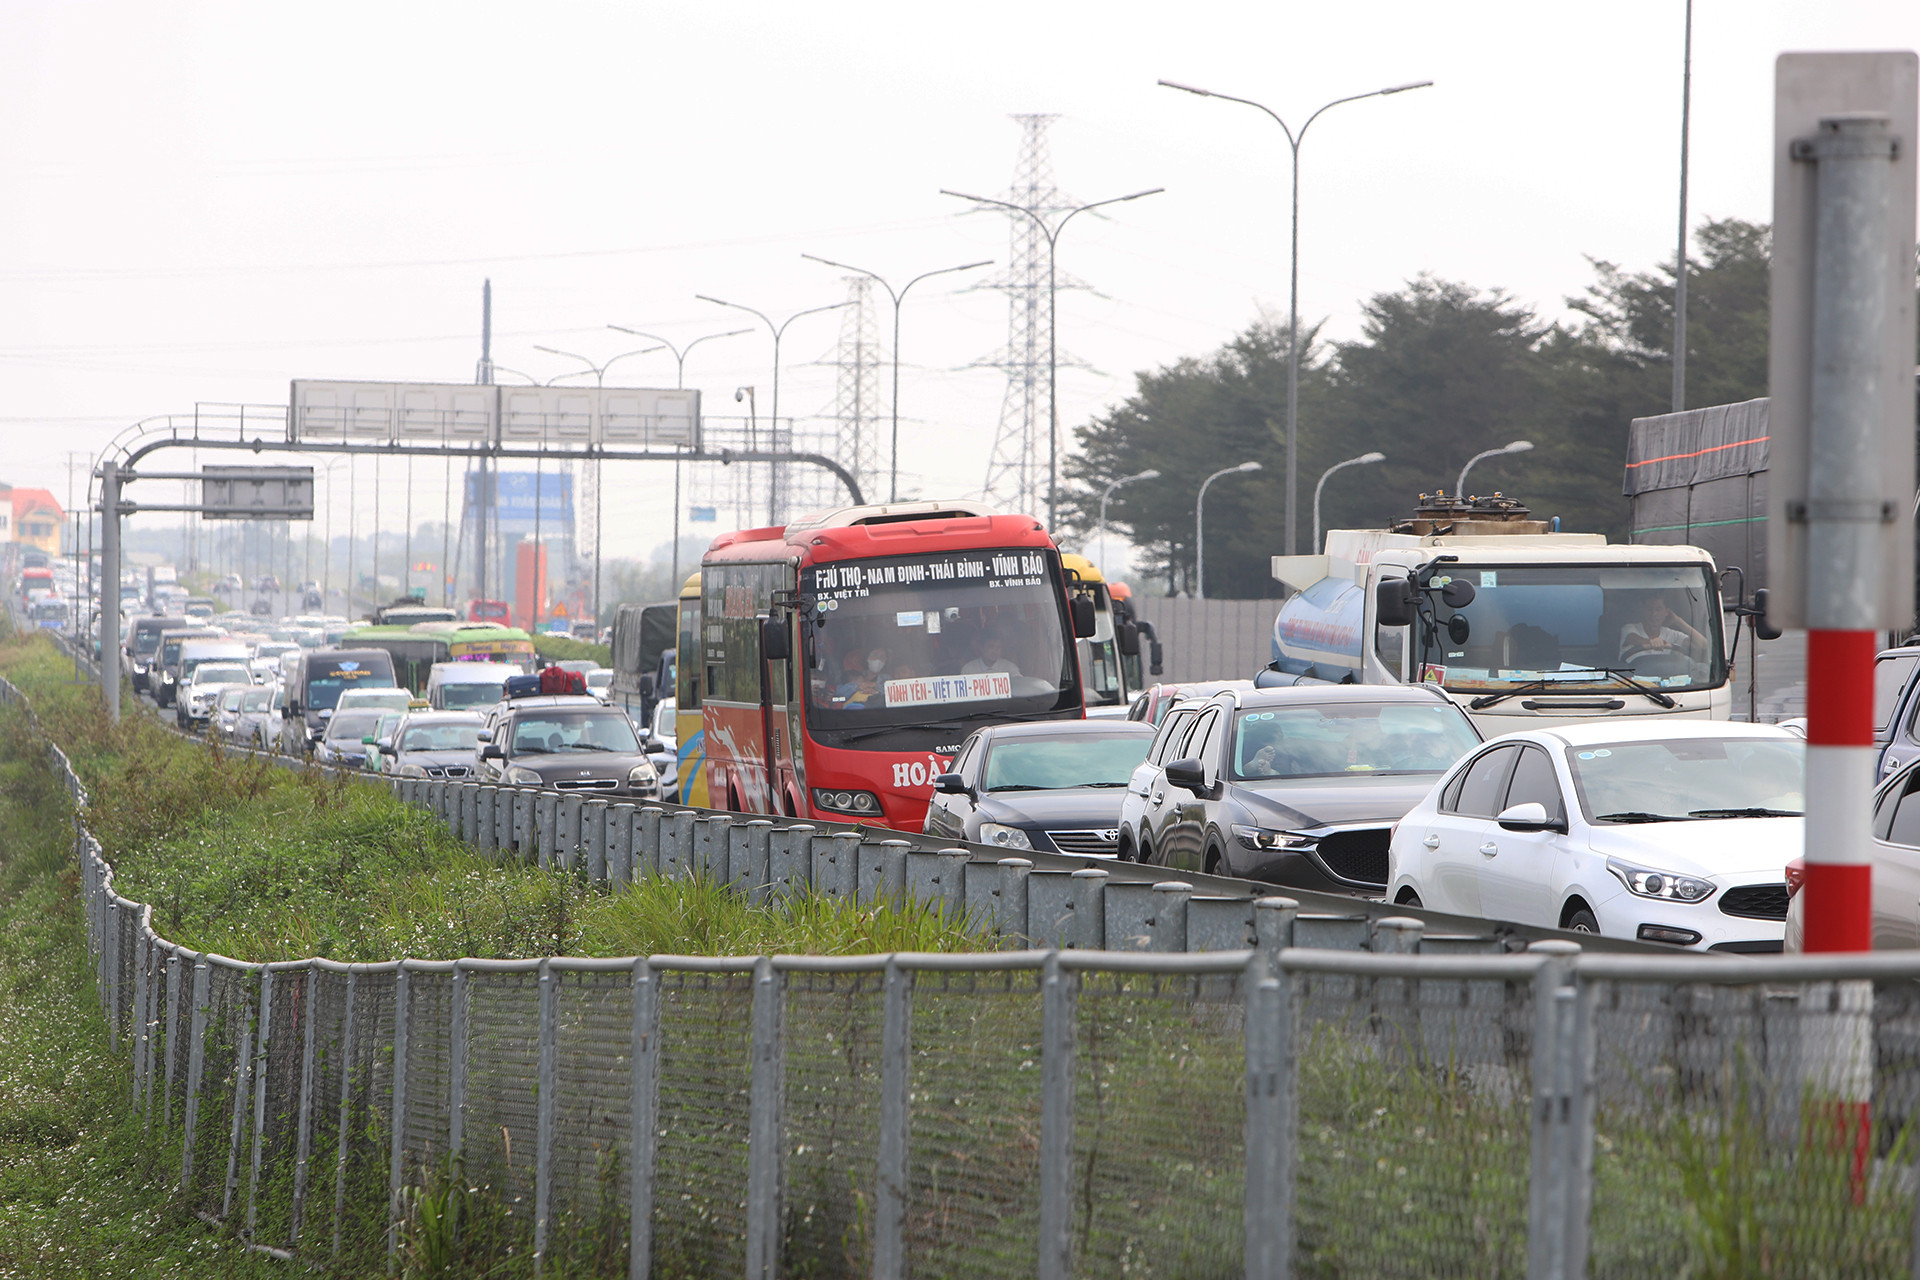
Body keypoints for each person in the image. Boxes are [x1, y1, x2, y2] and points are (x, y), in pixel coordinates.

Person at [1619, 593, 1707, 664]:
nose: (1654, 614)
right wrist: (1651, 642)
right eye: (1650, 609)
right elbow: (1632, 638)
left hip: (1666, 684)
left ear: (1666, 612)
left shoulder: (1672, 635)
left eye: (1658, 609)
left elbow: (1703, 645)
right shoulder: (1630, 628)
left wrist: (1678, 621)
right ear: (1643, 611)